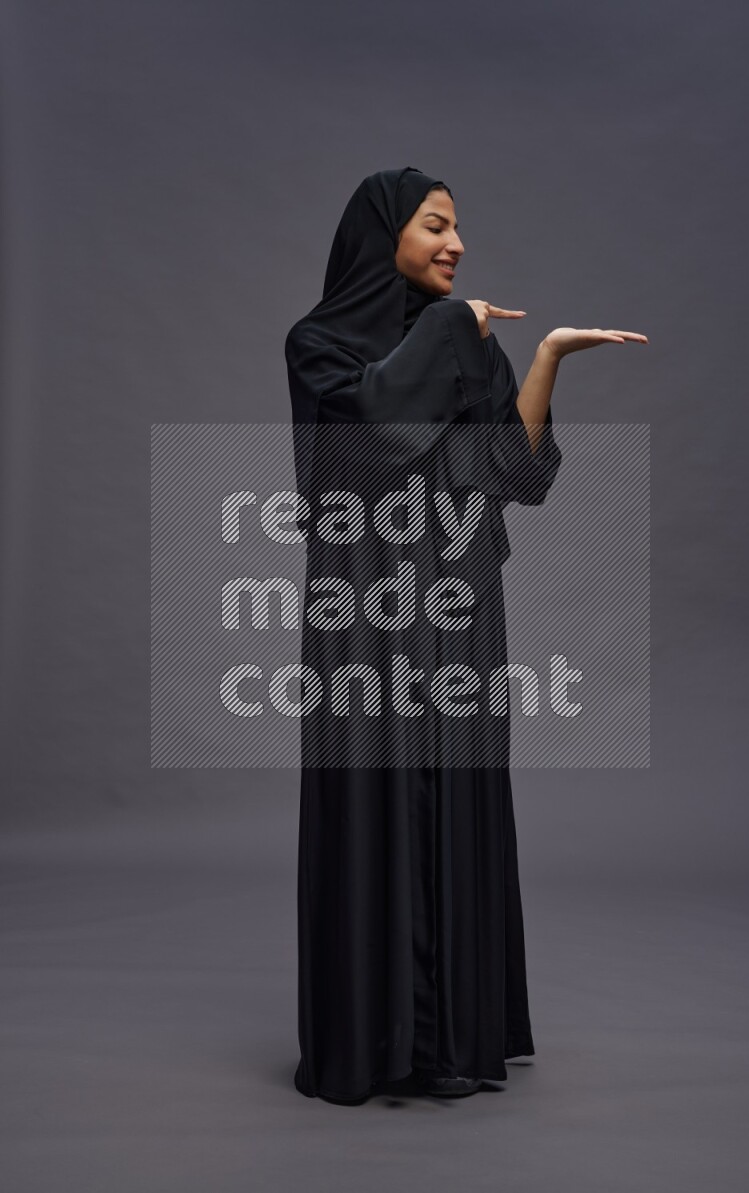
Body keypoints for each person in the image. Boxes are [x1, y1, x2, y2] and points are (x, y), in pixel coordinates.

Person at [284, 166, 647, 1104]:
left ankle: (450, 1042)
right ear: (384, 235)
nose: (456, 245)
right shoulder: (318, 344)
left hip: (458, 607)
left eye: (459, 231)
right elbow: (378, 424)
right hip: (365, 614)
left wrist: (544, 362)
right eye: (437, 226)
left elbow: (517, 477)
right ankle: (374, 1042)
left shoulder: (466, 342)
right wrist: (457, 329)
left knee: (459, 794)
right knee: (378, 801)